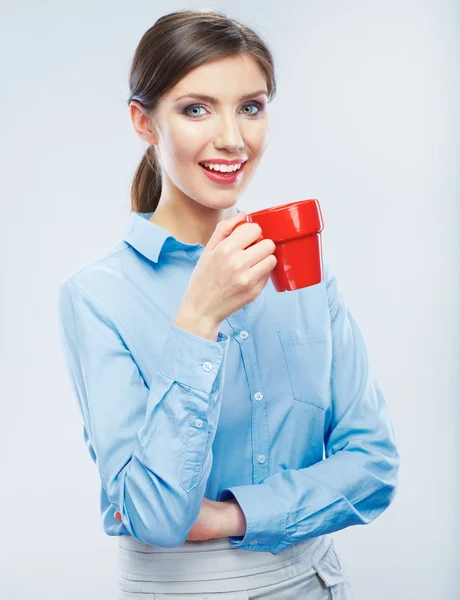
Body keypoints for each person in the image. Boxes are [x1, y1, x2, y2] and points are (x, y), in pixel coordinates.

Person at [57, 8, 400, 600]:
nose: (233, 139)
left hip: (318, 585)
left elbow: (372, 465)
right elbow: (155, 515)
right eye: (196, 108)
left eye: (251, 106)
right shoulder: (96, 296)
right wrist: (197, 322)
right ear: (144, 121)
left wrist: (234, 516)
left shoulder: (306, 272)